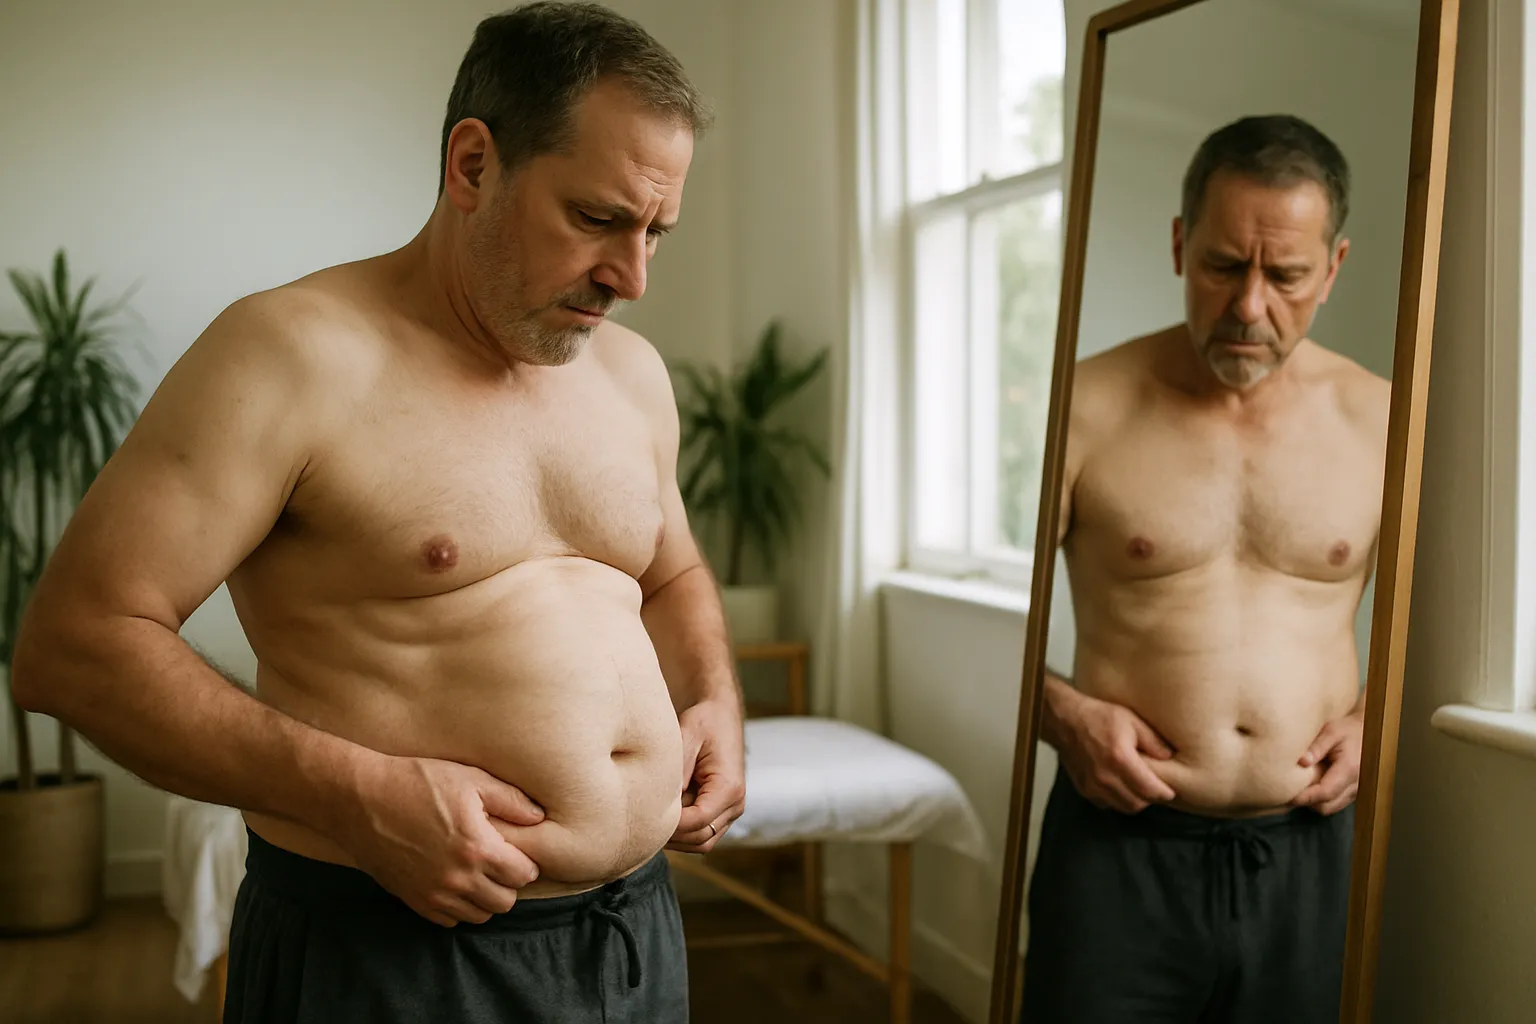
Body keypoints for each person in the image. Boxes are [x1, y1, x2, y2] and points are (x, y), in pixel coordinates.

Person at [10, 4, 743, 1021]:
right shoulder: (288, 356)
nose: (633, 276)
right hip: (394, 948)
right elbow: (73, 646)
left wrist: (714, 695)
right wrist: (359, 796)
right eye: (597, 218)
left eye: (657, 230)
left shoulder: (633, 374)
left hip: (634, 934)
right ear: (474, 164)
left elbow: (671, 573)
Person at [1019, 114, 1388, 1023]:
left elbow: (1452, 631)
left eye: (1287, 275)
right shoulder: (1085, 405)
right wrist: (1063, 716)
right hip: (1119, 852)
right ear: (1181, 245)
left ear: (1333, 267)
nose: (1249, 305)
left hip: (1311, 851)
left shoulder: (1384, 421)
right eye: (1224, 265)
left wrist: (1378, 720)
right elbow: (1002, 629)